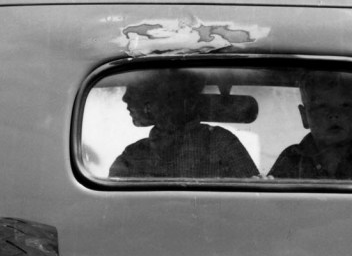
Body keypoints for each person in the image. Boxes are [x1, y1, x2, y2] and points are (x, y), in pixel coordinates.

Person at [109, 71, 259, 179]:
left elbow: (254, 200)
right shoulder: (133, 154)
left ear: (173, 98)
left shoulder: (220, 143)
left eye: (137, 88)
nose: (125, 98)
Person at [268, 74, 352, 180]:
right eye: (322, 106)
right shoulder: (292, 158)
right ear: (304, 116)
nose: (334, 115)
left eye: (345, 106)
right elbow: (272, 204)